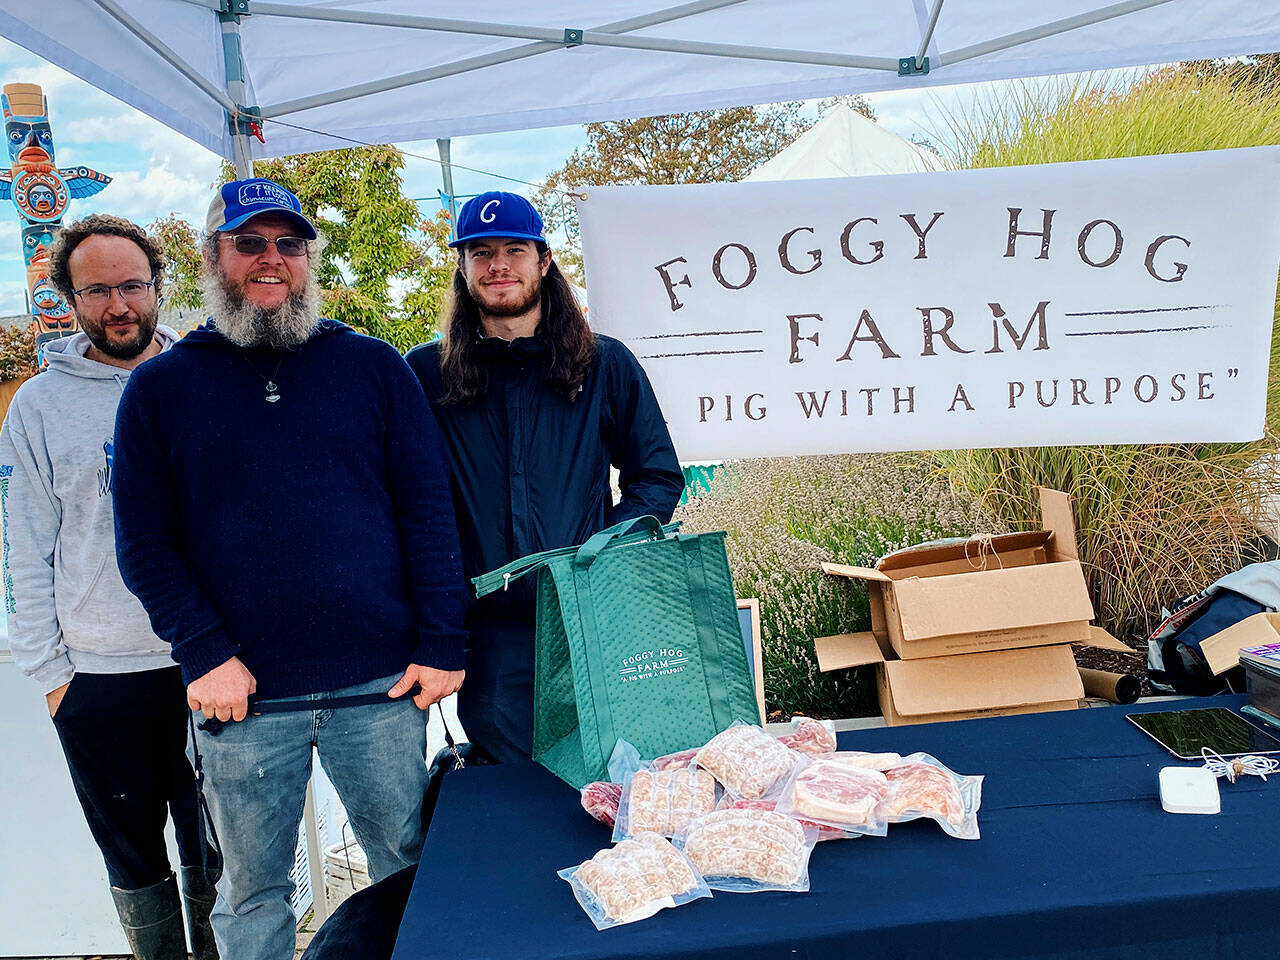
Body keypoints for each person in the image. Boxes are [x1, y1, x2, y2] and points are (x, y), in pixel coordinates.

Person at [111, 178, 467, 960]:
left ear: (308, 259)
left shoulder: (373, 368)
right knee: (251, 895)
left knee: (409, 876)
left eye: (288, 245)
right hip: (243, 703)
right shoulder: (160, 388)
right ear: (212, 257)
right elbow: (143, 543)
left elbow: (428, 512)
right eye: (250, 244)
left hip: (380, 687)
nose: (271, 260)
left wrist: (444, 641)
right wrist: (204, 652)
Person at [0, 214, 218, 960]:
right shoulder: (37, 406)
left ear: (159, 287)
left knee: (220, 855)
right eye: (97, 290)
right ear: (69, 297)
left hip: (209, 665)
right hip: (96, 678)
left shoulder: (203, 381)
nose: (118, 304)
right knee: (134, 863)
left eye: (132, 285)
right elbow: (20, 546)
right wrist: (52, 675)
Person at [406, 191, 684, 763]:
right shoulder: (427, 373)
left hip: (590, 623)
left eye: (514, 249)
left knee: (613, 777)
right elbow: (405, 498)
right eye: (480, 253)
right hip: (492, 636)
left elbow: (655, 476)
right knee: (517, 796)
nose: (498, 265)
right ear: (462, 268)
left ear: (545, 260)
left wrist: (600, 553)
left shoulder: (604, 363)